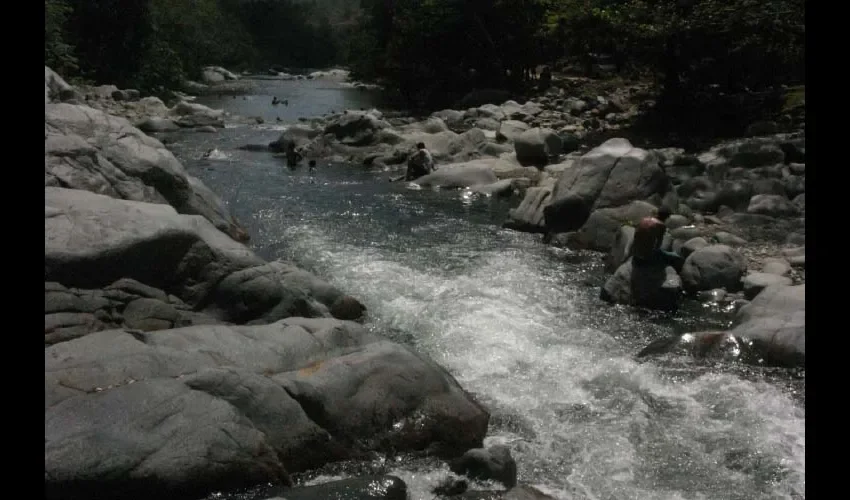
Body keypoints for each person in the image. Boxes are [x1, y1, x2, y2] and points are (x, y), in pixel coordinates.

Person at [630, 207, 683, 271]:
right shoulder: (661, 225)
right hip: (645, 257)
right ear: (667, 217)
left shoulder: (644, 219)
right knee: (675, 256)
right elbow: (658, 244)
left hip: (635, 254)